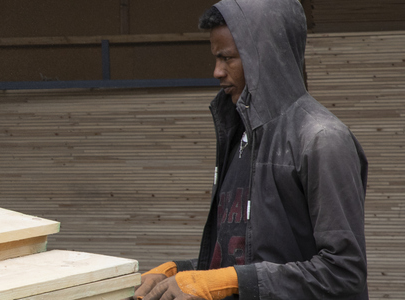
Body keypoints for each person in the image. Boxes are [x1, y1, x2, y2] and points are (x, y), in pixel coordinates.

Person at [127, 0, 368, 299]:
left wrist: (226, 281)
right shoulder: (240, 135)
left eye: (227, 58)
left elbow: (343, 273)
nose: (216, 71)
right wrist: (182, 270)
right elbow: (245, 261)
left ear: (262, 58)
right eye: (216, 58)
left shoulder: (322, 140)